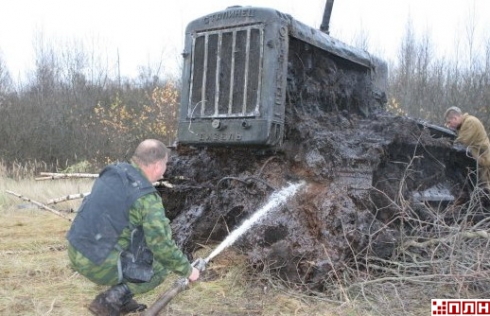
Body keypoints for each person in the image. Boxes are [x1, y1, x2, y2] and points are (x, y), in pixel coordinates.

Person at [66, 139, 200, 316]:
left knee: (140, 240)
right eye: (166, 164)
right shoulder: (147, 199)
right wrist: (189, 270)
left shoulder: (114, 171)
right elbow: (163, 248)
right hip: (95, 263)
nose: (165, 169)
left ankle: (124, 300)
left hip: (76, 248)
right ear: (158, 165)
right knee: (159, 267)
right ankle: (111, 300)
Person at [444, 106, 490, 190]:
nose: (449, 125)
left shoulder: (470, 122)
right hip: (479, 158)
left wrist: (444, 143)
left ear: (455, 118)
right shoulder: (466, 123)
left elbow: (461, 142)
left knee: (484, 188)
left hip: (482, 159)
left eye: (449, 122)